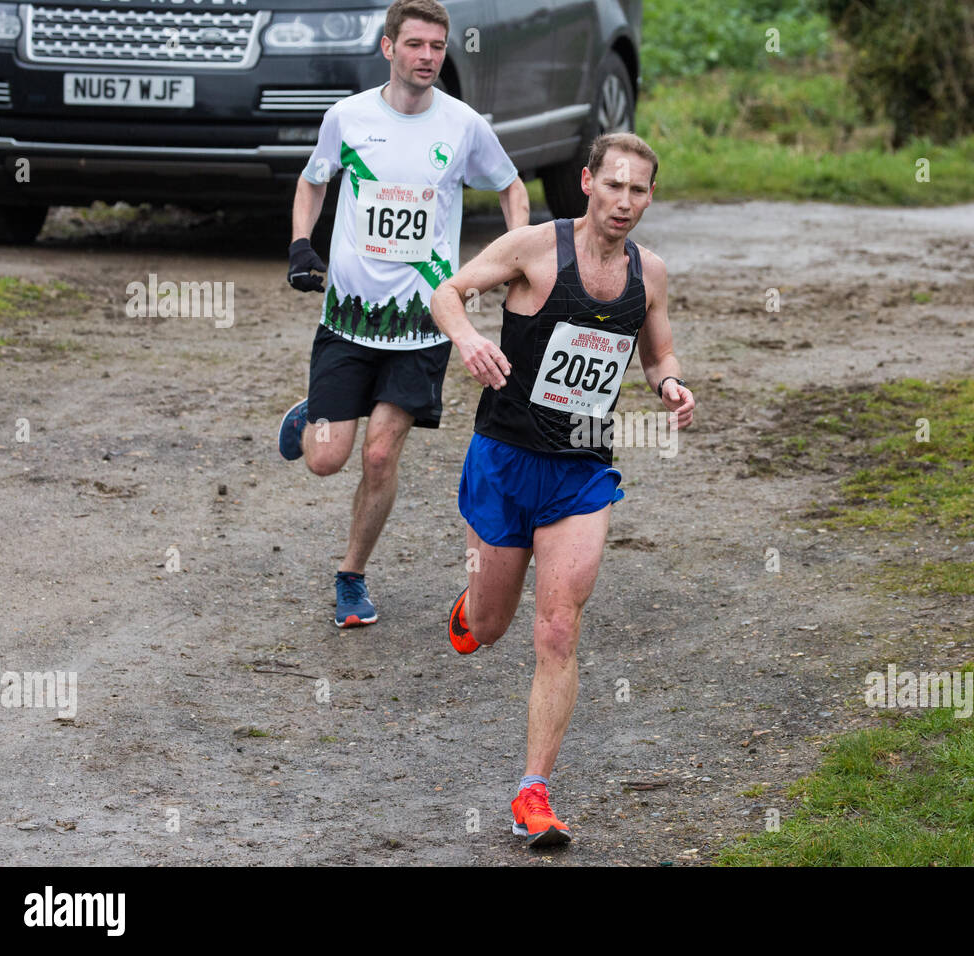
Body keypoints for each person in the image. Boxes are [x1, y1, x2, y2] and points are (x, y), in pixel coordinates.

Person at [429, 132, 695, 847]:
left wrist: (668, 381)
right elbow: (446, 291)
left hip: (581, 471)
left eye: (639, 191)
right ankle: (473, 605)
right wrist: (469, 340)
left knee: (558, 627)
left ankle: (532, 792)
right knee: (490, 627)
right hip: (505, 460)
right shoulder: (532, 249)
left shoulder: (651, 273)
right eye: (614, 186)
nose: (625, 202)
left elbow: (657, 346)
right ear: (586, 182)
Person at [278, 0, 529, 628]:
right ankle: (312, 414)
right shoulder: (348, 117)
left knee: (380, 456)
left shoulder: (464, 125)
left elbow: (511, 186)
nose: (427, 57)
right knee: (326, 458)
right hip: (349, 320)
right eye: (415, 44)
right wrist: (301, 243)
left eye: (437, 47)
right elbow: (314, 179)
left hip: (423, 324)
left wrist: (513, 257)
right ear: (388, 48)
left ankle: (351, 576)